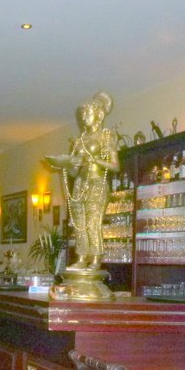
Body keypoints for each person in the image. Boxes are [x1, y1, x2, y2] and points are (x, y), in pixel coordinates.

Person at [46, 91, 120, 271]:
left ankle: (95, 258)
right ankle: (81, 256)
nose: (84, 117)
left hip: (97, 183)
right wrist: (66, 164)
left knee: (93, 223)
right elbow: (74, 172)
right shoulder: (78, 141)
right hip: (80, 184)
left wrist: (96, 161)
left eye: (88, 113)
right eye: (82, 114)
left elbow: (115, 166)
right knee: (79, 224)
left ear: (99, 115)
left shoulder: (106, 136)